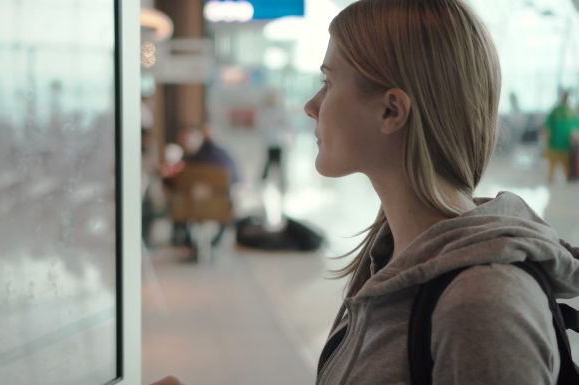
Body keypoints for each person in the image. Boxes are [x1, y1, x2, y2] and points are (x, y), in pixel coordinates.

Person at [152, 1, 579, 384]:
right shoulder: (389, 254)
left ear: (391, 110)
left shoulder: (482, 307)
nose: (311, 105)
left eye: (329, 83)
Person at [163, 123, 240, 249]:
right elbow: (237, 180)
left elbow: (171, 183)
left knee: (178, 198)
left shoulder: (190, 160)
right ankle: (216, 241)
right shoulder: (226, 157)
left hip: (188, 209)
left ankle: (186, 240)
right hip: (220, 208)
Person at [543, 90, 579, 183]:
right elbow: (548, 124)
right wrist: (547, 134)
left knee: (566, 167)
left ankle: (567, 180)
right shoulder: (555, 111)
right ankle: (551, 180)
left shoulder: (571, 112)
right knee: (552, 167)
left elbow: (576, 125)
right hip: (554, 143)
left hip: (566, 145)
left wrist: (575, 135)